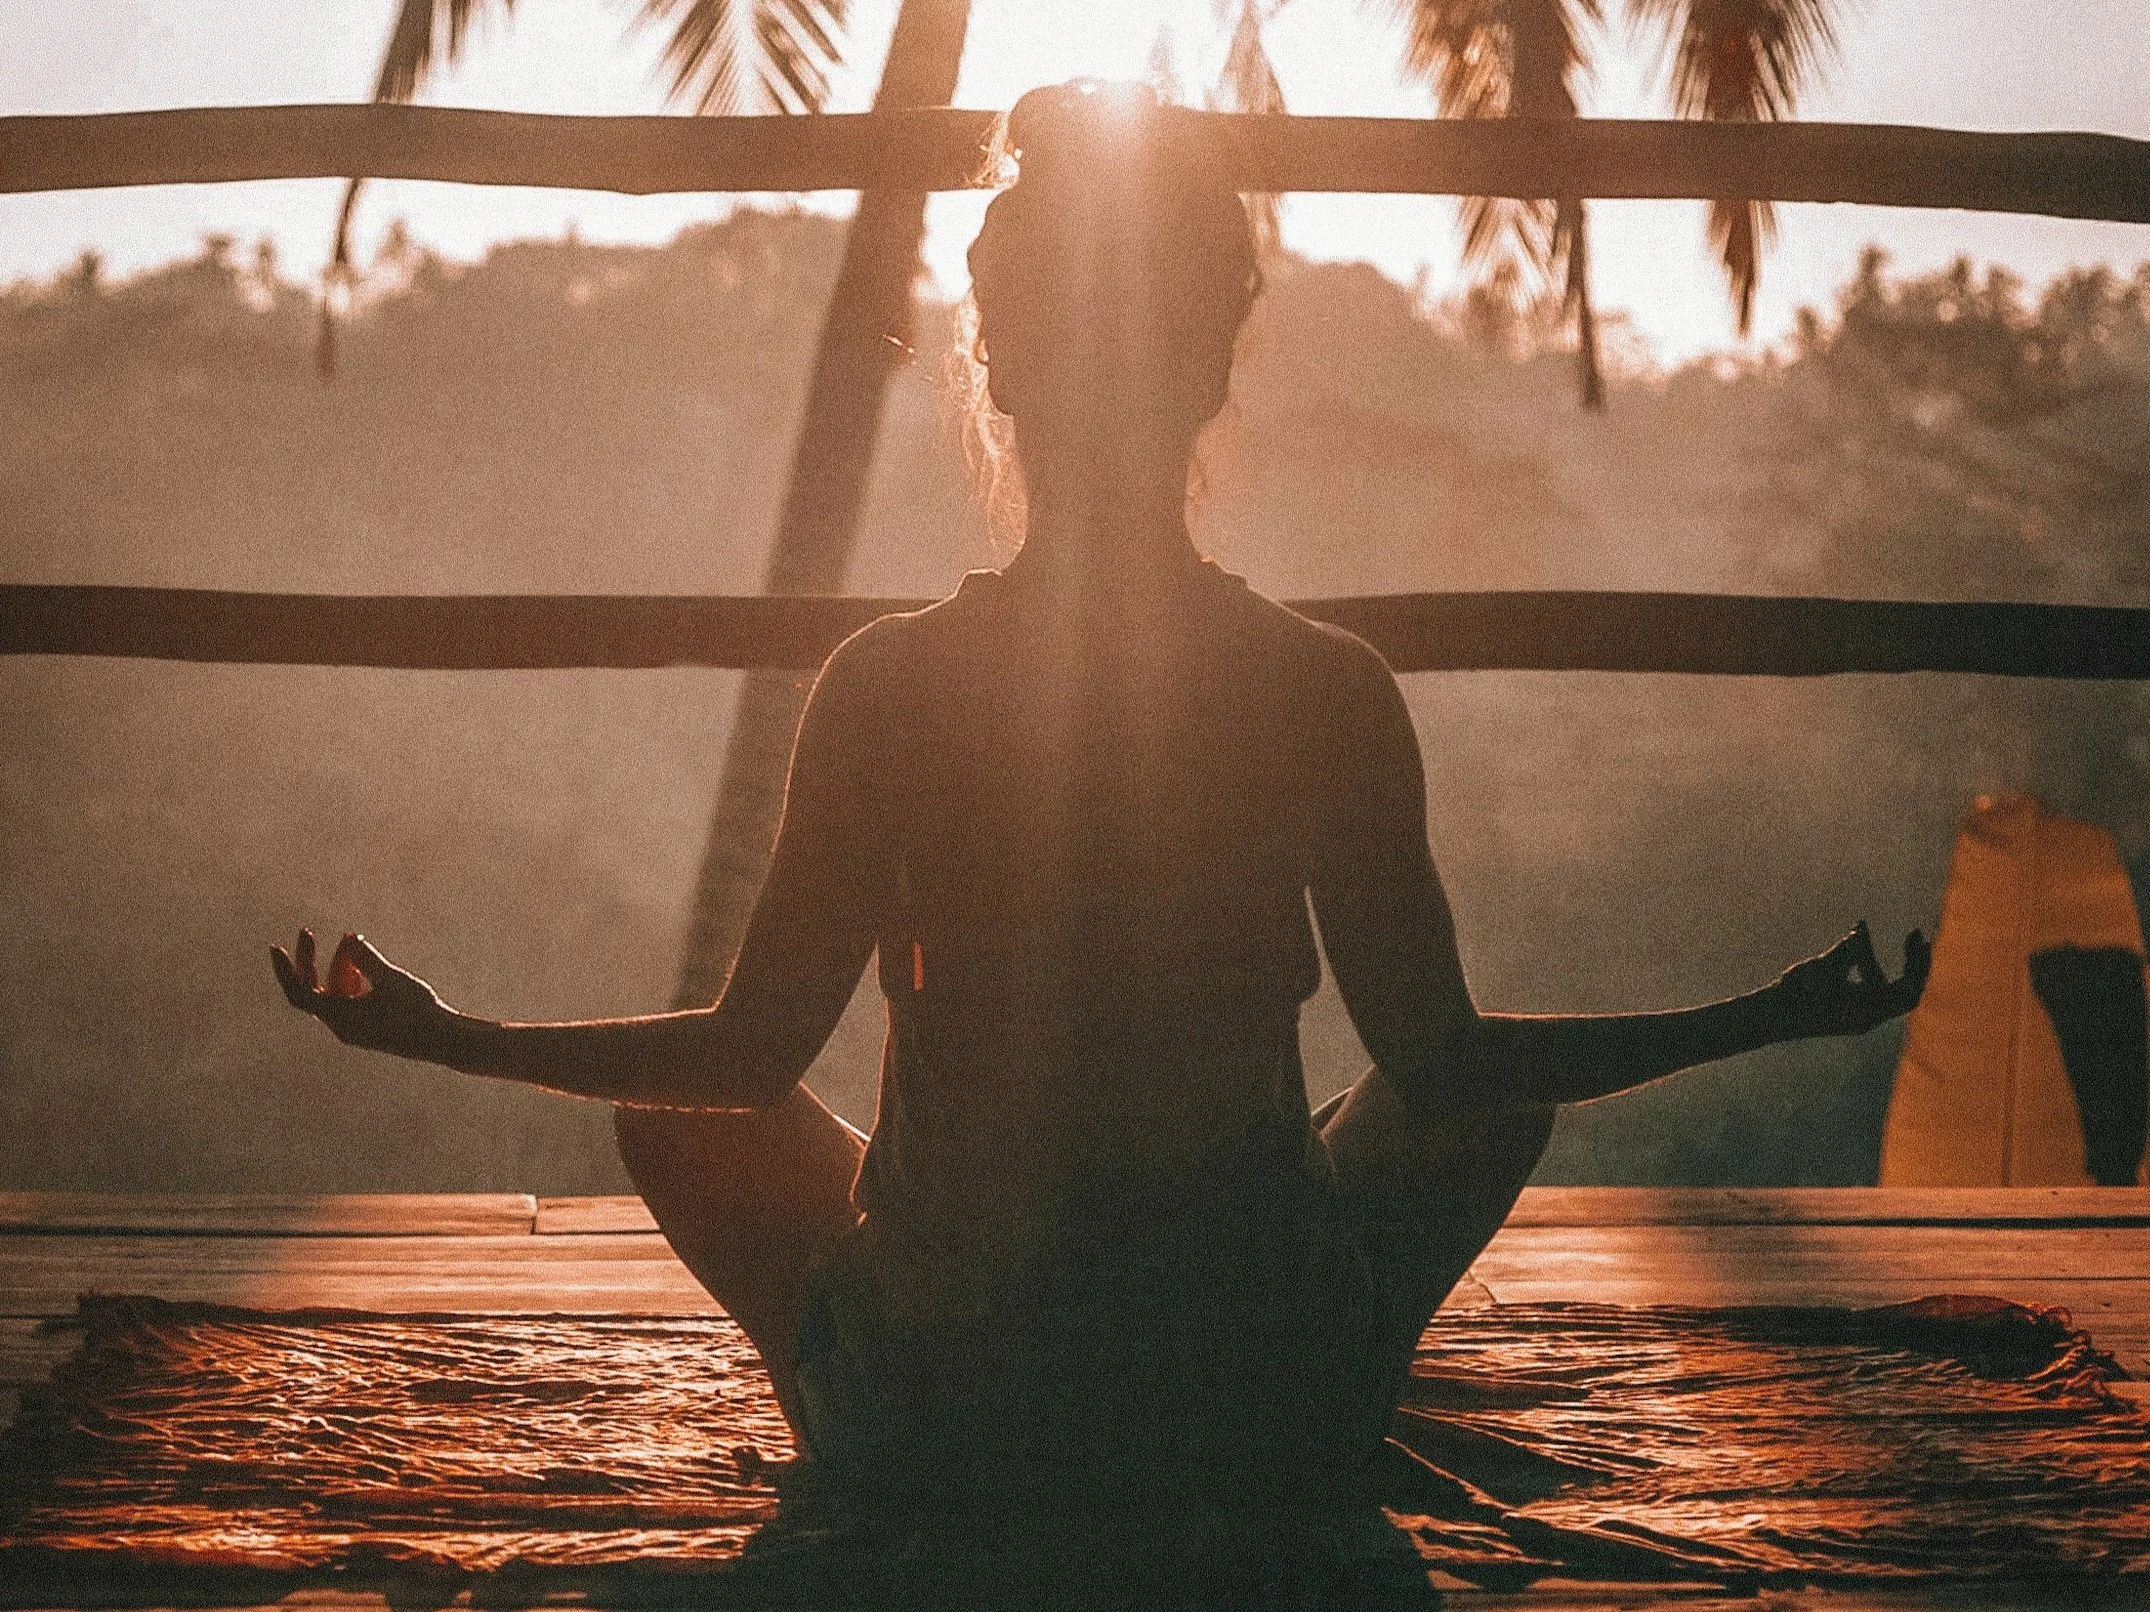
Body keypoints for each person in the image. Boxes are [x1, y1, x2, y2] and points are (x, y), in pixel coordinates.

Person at [273, 81, 1928, 1532]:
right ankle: (1323, 1390)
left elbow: (740, 1062)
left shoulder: (891, 683)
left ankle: (867, 1419)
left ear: (996, 373)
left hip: (950, 1421)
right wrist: (1767, 1015)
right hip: (1248, 1408)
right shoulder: (1322, 685)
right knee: (1480, 1091)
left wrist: (446, 1033)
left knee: (681, 1118)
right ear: (1208, 372)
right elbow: (1447, 1065)